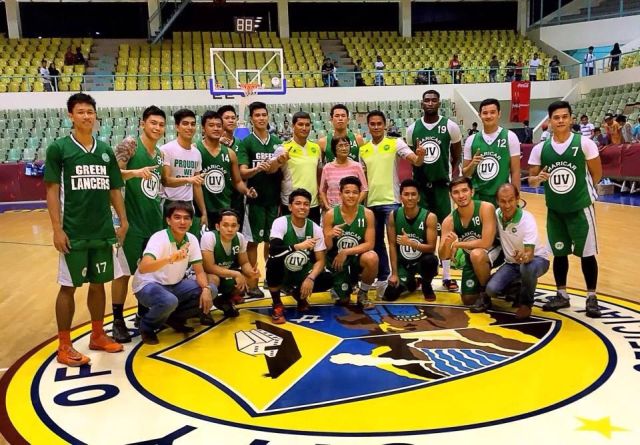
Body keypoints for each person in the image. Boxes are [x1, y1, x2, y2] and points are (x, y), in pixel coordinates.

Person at [44, 93, 127, 366]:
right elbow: (52, 190)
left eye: (90, 112)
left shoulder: (104, 150)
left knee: (98, 283)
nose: (86, 116)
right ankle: (64, 345)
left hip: (102, 230)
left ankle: (97, 335)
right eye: (81, 112)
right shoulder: (59, 149)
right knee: (68, 287)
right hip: (74, 231)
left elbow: (114, 189)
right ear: (71, 115)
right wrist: (57, 229)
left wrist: (123, 221)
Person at [528, 100, 603, 318]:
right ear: (549, 121)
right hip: (555, 210)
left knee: (587, 254)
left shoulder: (585, 144)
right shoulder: (540, 148)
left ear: (570, 118)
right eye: (556, 117)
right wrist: (538, 179)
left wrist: (583, 193)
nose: (560, 121)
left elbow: (596, 174)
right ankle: (562, 294)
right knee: (559, 254)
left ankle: (592, 297)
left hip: (580, 209)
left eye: (564, 116)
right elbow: (531, 180)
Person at [110, 106, 166, 343]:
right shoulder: (130, 146)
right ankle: (117, 320)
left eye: (161, 124)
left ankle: (143, 313)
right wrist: (135, 172)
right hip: (131, 222)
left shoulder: (161, 154)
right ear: (142, 123)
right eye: (153, 123)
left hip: (153, 221)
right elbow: (112, 174)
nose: (157, 128)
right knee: (123, 273)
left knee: (149, 272)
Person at [359, 110, 426, 294]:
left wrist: (419, 156)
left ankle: (401, 276)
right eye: (372, 124)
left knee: (394, 242)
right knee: (376, 243)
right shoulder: (363, 149)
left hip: (392, 201)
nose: (376, 127)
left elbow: (415, 161)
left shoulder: (395, 142)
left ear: (385, 125)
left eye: (379, 123)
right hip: (371, 202)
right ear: (368, 126)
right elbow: (363, 178)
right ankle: (383, 277)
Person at [132, 201, 216, 344]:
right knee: (169, 301)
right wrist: (170, 259)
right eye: (177, 217)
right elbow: (143, 268)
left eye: (186, 218)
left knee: (212, 290)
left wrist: (206, 289)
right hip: (147, 285)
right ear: (168, 220)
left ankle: (172, 318)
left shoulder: (192, 239)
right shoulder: (159, 238)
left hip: (174, 285)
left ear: (191, 222)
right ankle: (146, 326)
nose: (182, 221)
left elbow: (200, 272)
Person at [406, 89, 463, 292]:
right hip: (421, 188)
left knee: (446, 232)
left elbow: (456, 155)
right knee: (422, 234)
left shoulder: (450, 126)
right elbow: (414, 157)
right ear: (422, 103)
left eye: (434, 100)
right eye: (427, 100)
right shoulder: (413, 129)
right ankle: (424, 274)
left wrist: (446, 172)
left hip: (440, 187)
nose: (430, 103)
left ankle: (447, 276)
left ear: (439, 103)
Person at [266, 188, 333, 324]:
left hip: (301, 272)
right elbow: (273, 250)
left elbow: (320, 260)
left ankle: (298, 293)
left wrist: (310, 278)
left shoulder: (315, 228)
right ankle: (277, 304)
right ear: (290, 207)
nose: (302, 207)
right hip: (282, 271)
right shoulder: (281, 222)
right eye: (298, 203)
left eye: (306, 204)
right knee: (273, 262)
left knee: (327, 278)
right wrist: (297, 246)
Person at [237, 101, 283, 298]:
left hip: (273, 199)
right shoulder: (246, 143)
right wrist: (257, 169)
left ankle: (271, 279)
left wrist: (277, 163)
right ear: (251, 119)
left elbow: (279, 169)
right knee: (253, 242)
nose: (261, 118)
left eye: (264, 114)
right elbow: (242, 173)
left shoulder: (276, 142)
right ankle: (253, 282)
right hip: (254, 201)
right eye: (257, 115)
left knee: (272, 243)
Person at [486, 184, 550, 319]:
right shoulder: (497, 214)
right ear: (497, 201)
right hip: (511, 263)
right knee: (491, 290)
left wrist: (524, 256)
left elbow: (530, 254)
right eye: (503, 201)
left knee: (527, 268)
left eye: (511, 200)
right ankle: (516, 286)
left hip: (537, 260)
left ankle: (526, 304)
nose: (507, 205)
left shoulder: (527, 220)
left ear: (517, 199)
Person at [439, 177, 502, 309]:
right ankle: (501, 283)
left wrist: (457, 244)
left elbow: (486, 242)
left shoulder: (485, 208)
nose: (461, 196)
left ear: (472, 192)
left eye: (464, 191)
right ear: (451, 196)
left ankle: (486, 294)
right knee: (468, 300)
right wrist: (447, 244)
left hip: (497, 253)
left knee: (477, 254)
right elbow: (443, 255)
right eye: (456, 192)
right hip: (472, 259)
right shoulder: (449, 221)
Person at [323, 176, 378, 308]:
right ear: (340, 194)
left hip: (356, 258)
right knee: (343, 302)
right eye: (347, 192)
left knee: (372, 257)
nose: (351, 196)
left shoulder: (367, 214)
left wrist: (346, 252)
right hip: (337, 261)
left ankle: (362, 293)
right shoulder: (330, 214)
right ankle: (342, 285)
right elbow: (327, 247)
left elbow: (370, 244)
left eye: (355, 192)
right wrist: (329, 235)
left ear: (360, 194)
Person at [196, 111, 257, 229]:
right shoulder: (196, 149)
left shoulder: (230, 153)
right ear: (203, 128)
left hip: (224, 209)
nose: (216, 128)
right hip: (202, 209)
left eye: (219, 126)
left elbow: (237, 181)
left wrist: (246, 191)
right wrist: (203, 212)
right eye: (211, 125)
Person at [385, 179, 439, 302]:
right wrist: (394, 273)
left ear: (418, 197)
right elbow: (392, 245)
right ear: (401, 197)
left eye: (413, 194)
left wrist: (411, 243)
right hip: (404, 264)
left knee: (431, 260)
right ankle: (411, 282)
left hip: (422, 262)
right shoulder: (393, 215)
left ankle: (426, 284)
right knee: (390, 295)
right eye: (406, 194)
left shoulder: (429, 217)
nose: (410, 198)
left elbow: (431, 247)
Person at [201, 210, 260, 317]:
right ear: (218, 226)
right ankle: (205, 311)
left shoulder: (240, 237)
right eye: (225, 225)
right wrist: (235, 274)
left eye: (233, 226)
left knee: (250, 279)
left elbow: (244, 262)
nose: (230, 229)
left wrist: (251, 272)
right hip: (206, 275)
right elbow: (208, 267)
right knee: (214, 278)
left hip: (226, 273)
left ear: (238, 227)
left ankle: (224, 300)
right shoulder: (209, 237)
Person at [462, 98, 521, 206]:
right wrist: (472, 164)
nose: (488, 116)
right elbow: (465, 173)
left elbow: (515, 171)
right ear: (480, 115)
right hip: (478, 197)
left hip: (503, 197)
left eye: (492, 112)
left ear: (499, 114)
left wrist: (516, 197)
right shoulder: (471, 140)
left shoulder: (510, 137)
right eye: (485, 113)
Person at [160, 109, 207, 238]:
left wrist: (203, 212)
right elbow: (166, 180)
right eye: (185, 123)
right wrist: (189, 179)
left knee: (188, 245)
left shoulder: (196, 153)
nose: (189, 127)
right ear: (177, 127)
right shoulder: (166, 149)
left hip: (188, 203)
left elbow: (197, 184)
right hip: (170, 203)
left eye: (192, 124)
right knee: (169, 245)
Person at [271, 111, 322, 223]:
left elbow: (318, 173)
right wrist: (279, 161)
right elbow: (271, 170)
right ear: (293, 126)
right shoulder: (283, 148)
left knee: (313, 238)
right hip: (291, 203)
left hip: (312, 203)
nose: (304, 128)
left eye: (307, 125)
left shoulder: (316, 148)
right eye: (300, 124)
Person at [217, 105, 246, 230]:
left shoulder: (241, 142)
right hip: (218, 194)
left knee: (235, 230)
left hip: (236, 194)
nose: (231, 120)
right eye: (227, 118)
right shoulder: (211, 143)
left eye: (233, 118)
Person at [320, 135, 368, 209]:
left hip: (353, 209)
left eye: (346, 145)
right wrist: (327, 206)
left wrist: (354, 204)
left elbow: (364, 189)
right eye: (340, 146)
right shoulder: (327, 168)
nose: (344, 148)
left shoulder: (357, 166)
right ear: (334, 148)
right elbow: (322, 190)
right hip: (333, 209)